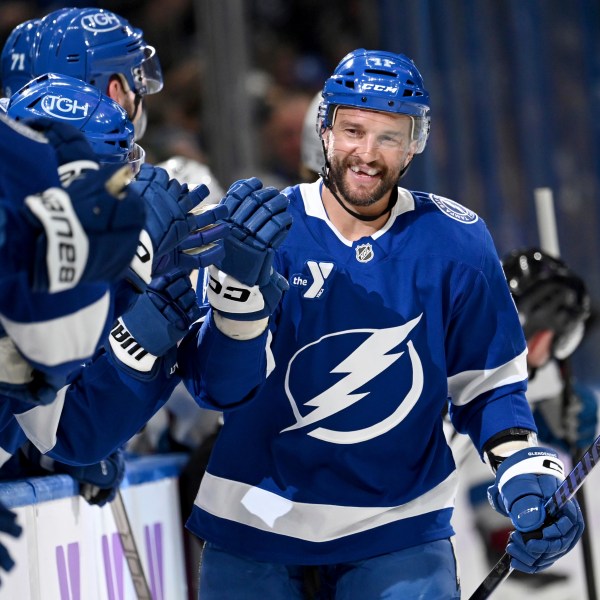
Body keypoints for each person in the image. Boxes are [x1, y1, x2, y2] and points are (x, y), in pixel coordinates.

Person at [176, 49, 584, 599]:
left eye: (389, 136)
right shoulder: (262, 229)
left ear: (415, 142)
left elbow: (488, 386)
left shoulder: (457, 241)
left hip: (397, 533)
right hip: (255, 520)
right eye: (353, 130)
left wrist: (522, 465)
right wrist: (237, 297)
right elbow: (216, 389)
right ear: (324, 130)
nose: (367, 154)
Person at [457, 247, 597, 591]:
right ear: (541, 332)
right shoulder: (463, 362)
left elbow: (540, 400)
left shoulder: (522, 364)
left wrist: (567, 415)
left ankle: (500, 532)